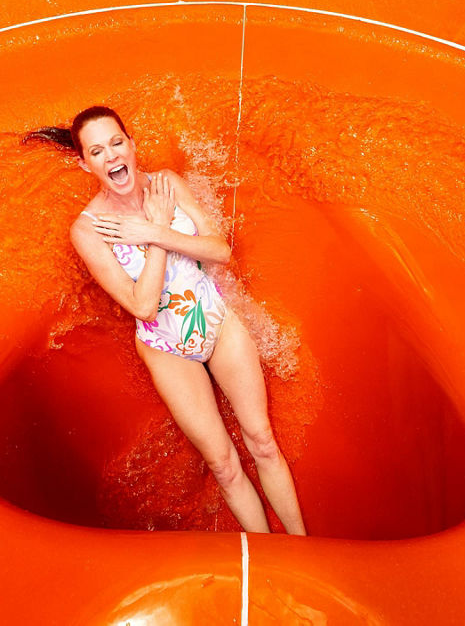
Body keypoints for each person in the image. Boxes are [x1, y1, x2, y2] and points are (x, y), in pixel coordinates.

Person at [25, 105, 306, 535]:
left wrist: (155, 229)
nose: (112, 156)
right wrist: (153, 236)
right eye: (97, 151)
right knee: (225, 465)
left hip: (216, 318)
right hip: (167, 347)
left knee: (263, 441)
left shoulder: (168, 185)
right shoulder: (88, 231)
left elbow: (219, 250)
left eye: (117, 143)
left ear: (131, 144)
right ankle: (272, 559)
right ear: (85, 163)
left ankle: (303, 548)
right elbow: (142, 306)